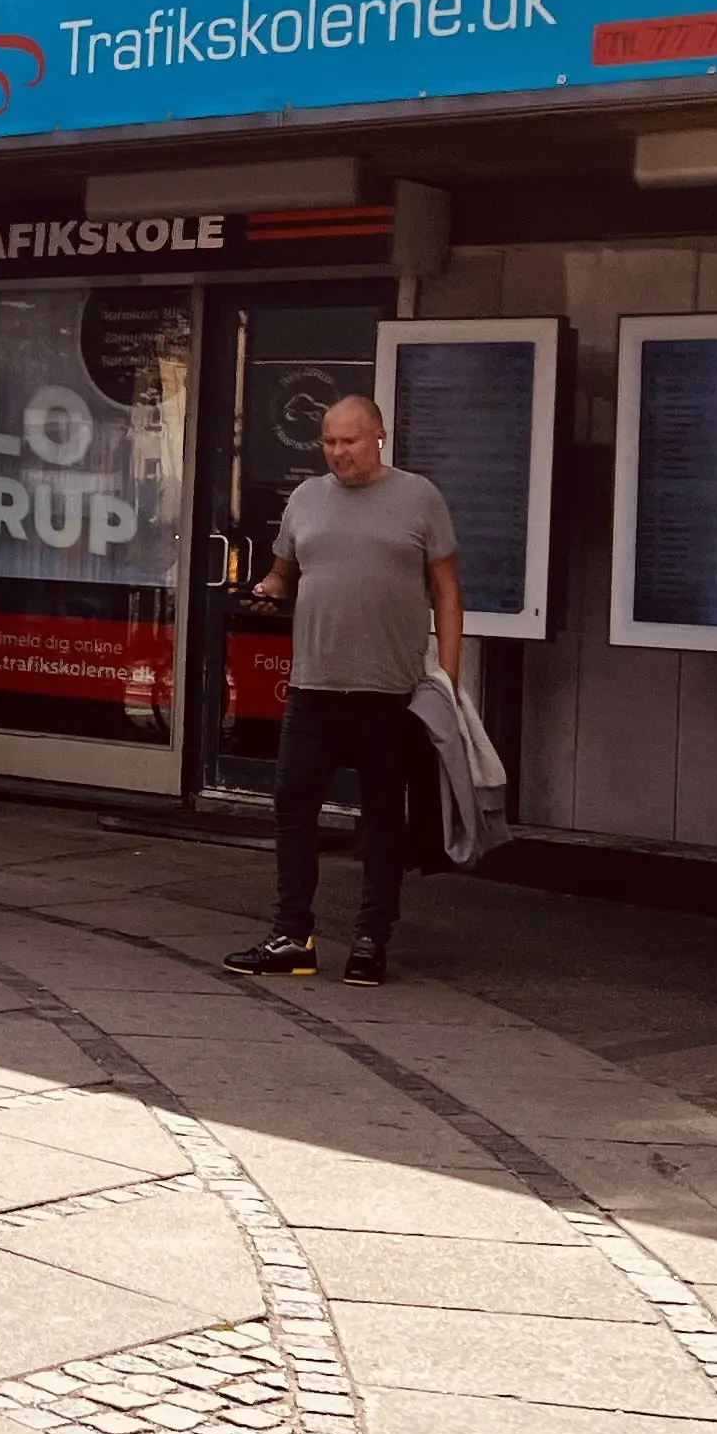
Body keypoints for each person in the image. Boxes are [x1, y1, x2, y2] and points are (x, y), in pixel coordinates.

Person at [222, 390, 460, 987]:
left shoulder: (419, 498)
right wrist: (271, 587)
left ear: (378, 436)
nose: (337, 452)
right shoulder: (305, 499)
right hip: (312, 686)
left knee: (382, 819)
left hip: (389, 691)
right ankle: (290, 937)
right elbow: (284, 571)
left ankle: (370, 939)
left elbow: (448, 592)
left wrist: (447, 682)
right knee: (292, 809)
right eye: (327, 441)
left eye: (348, 440)